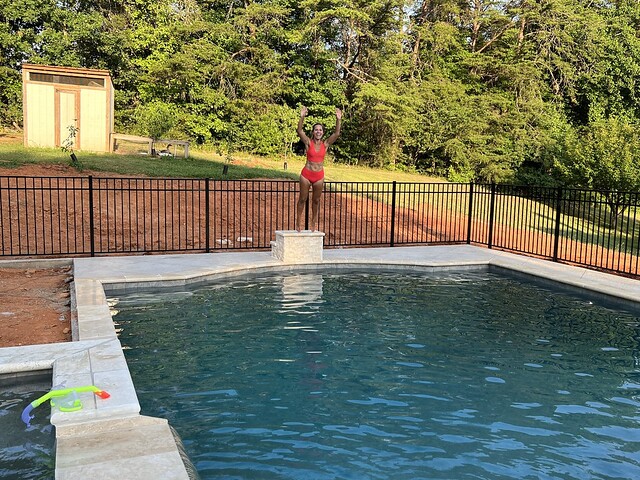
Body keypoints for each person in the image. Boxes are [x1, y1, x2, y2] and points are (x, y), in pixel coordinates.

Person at [295, 105, 342, 231]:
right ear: (313, 132)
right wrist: (302, 116)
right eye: (316, 130)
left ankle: (313, 222)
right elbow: (299, 131)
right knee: (302, 199)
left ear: (323, 132)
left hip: (319, 176)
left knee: (316, 201)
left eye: (320, 130)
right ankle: (298, 221)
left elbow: (337, 133)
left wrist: (338, 119)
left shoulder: (325, 144)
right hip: (306, 174)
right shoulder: (308, 142)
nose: (318, 132)